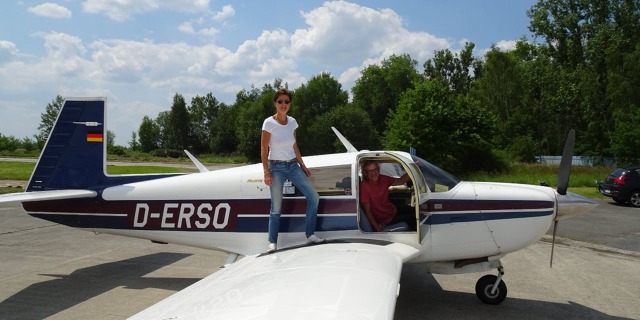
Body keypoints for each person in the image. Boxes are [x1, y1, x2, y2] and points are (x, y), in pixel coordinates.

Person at [261, 88, 325, 252]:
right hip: (275, 166)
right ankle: (272, 241)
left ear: (290, 104)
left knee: (314, 197)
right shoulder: (269, 123)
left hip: (292, 165)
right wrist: (266, 172)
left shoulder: (292, 122)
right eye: (280, 101)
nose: (283, 104)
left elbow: (294, 145)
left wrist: (302, 165)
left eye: (286, 102)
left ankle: (310, 234)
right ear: (275, 103)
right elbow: (263, 148)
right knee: (276, 207)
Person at [359, 160, 413, 232]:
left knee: (415, 210)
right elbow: (367, 211)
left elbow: (401, 181)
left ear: (378, 170)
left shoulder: (383, 179)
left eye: (375, 169)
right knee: (415, 218)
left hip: (392, 211)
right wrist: (377, 228)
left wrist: (412, 169)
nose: (374, 173)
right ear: (366, 173)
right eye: (370, 171)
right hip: (385, 220)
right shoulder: (364, 187)